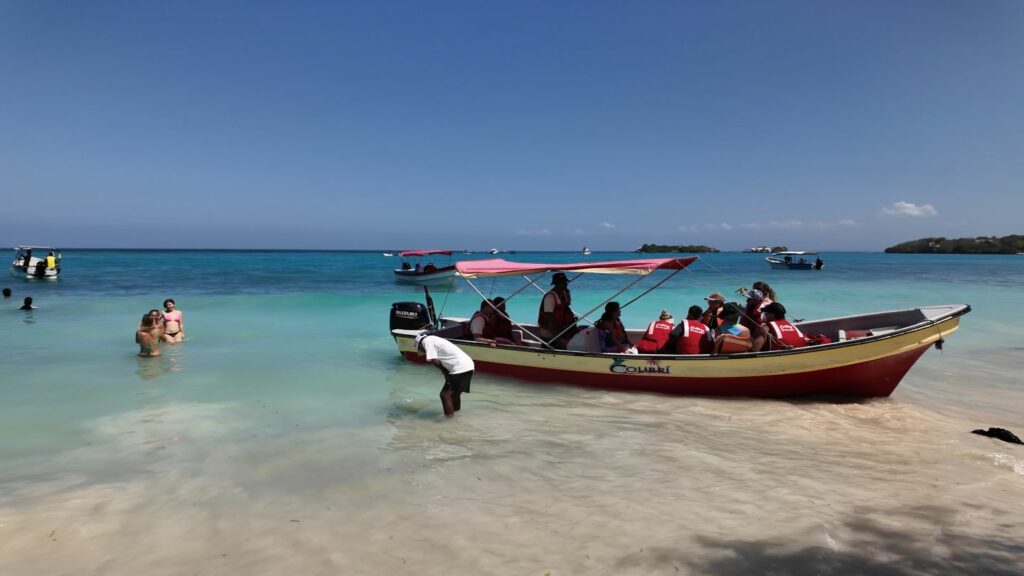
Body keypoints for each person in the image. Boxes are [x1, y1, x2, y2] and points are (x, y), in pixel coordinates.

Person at [415, 334, 475, 418]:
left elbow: (434, 360)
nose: (424, 352)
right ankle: (457, 415)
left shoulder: (426, 341)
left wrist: (445, 373)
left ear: (420, 344)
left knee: (444, 395)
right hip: (468, 365)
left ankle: (449, 421)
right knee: (454, 394)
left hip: (459, 367)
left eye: (422, 350)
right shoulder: (434, 339)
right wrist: (446, 373)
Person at [537, 272, 577, 348]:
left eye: (565, 282)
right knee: (551, 348)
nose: (565, 284)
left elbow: (566, 308)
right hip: (549, 331)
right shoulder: (550, 297)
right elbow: (549, 318)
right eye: (562, 283)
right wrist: (558, 337)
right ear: (556, 284)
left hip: (560, 329)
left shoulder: (564, 294)